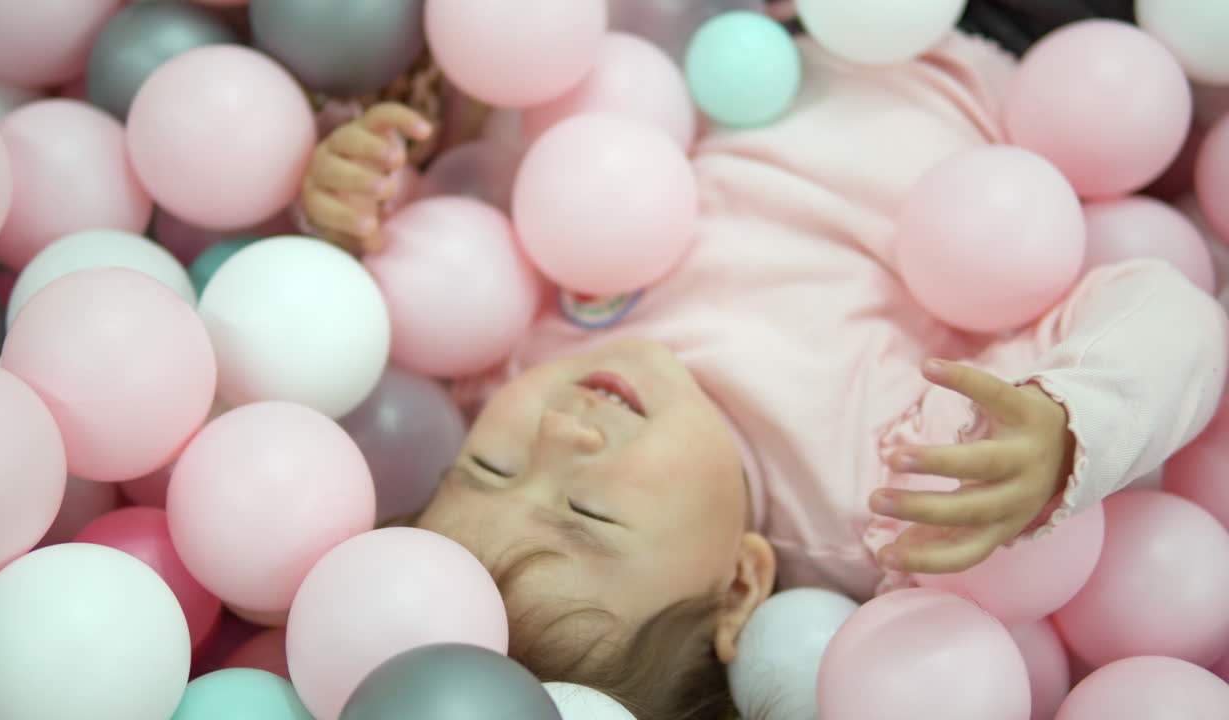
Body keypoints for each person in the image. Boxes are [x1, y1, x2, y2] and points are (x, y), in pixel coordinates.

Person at [297, 13, 1227, 720]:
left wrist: (367, 195)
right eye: (591, 509)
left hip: (779, 24)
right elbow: (1179, 318)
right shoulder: (883, 497)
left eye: (488, 466)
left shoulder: (517, 354)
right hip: (1004, 47)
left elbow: (483, 179)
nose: (557, 432)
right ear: (740, 585)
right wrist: (1068, 426)